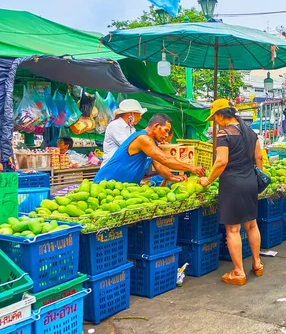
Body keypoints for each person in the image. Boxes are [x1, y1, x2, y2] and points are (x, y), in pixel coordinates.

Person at [199, 99, 263, 286]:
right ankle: (257, 264)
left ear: (220, 115)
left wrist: (208, 180)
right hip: (251, 181)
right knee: (251, 225)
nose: (215, 122)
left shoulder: (224, 134)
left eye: (215, 118)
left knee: (233, 229)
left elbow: (221, 162)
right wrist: (258, 179)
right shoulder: (251, 132)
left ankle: (238, 272)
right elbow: (258, 157)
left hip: (233, 184)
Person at [95, 113, 204, 184]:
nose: (166, 135)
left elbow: (159, 165)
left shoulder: (152, 144)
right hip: (106, 184)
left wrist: (171, 176)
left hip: (122, 189)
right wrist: (192, 168)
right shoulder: (143, 138)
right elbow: (164, 159)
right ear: (156, 126)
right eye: (166, 130)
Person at [101, 99, 146, 167]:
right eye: (139, 114)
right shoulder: (115, 125)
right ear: (130, 114)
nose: (140, 117)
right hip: (111, 167)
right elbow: (128, 146)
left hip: (121, 166)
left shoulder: (132, 129)